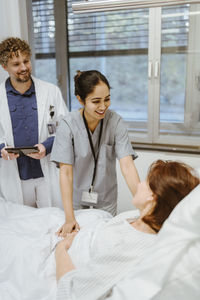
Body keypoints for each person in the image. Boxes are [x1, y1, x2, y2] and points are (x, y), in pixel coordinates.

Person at [55, 160, 199, 300]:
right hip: (82, 232)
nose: (140, 184)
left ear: (152, 196)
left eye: (145, 181)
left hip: (66, 250)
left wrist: (61, 249)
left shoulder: (132, 247)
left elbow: (71, 292)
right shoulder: (137, 215)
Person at [51, 70, 140, 235]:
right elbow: (66, 172)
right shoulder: (68, 125)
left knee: (101, 240)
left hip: (106, 198)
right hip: (76, 200)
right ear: (80, 100)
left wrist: (145, 207)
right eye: (96, 101)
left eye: (107, 99)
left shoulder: (115, 122)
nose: (103, 106)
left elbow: (127, 166)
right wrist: (69, 218)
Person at [0, 37, 68, 208]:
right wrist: (1, 148)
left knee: (53, 223)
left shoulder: (50, 91)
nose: (23, 68)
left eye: (26, 61)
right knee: (22, 227)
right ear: (4, 66)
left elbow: (66, 128)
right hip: (15, 175)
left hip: (46, 172)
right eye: (16, 64)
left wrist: (47, 146)